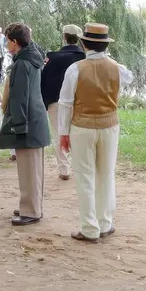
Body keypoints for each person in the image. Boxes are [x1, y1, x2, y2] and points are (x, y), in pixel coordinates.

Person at [57, 23, 134, 243]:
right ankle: (105, 223)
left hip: (82, 127)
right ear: (106, 45)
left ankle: (89, 228)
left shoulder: (75, 69)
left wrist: (63, 133)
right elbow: (128, 79)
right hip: (110, 126)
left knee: (85, 177)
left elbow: (65, 103)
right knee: (106, 174)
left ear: (84, 44)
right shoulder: (118, 68)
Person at [0, 23, 51, 226]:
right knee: (34, 168)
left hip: (27, 119)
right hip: (36, 117)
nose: (6, 44)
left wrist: (18, 125)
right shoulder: (33, 57)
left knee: (28, 169)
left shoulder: (22, 63)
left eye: (7, 40)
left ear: (15, 42)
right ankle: (33, 206)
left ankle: (31, 211)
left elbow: (19, 97)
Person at [40, 24, 86, 180]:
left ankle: (64, 169)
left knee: (59, 134)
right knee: (79, 135)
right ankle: (80, 168)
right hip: (80, 103)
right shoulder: (85, 59)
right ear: (79, 39)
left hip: (56, 102)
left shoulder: (53, 59)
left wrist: (45, 102)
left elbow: (43, 81)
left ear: (64, 37)